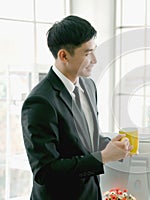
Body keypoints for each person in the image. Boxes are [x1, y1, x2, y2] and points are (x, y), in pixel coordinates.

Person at [21, 15, 132, 200]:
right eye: (88, 53)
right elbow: (45, 172)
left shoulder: (89, 86)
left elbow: (85, 142)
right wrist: (103, 157)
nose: (95, 60)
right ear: (63, 55)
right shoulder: (40, 102)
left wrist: (111, 146)